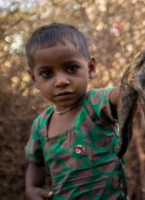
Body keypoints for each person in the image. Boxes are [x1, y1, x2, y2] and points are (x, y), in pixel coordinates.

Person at [24, 23, 127, 199]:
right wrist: (32, 188)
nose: (61, 81)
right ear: (34, 79)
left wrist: (136, 82)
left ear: (91, 68)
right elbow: (36, 163)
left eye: (71, 68)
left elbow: (121, 96)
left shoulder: (94, 104)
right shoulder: (41, 125)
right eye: (47, 73)